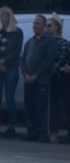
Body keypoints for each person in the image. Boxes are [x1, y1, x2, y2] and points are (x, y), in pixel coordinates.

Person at [0, 6, 24, 138]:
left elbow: (17, 51)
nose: (1, 18)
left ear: (9, 16)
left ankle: (11, 126)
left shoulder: (17, 32)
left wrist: (4, 61)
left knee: (9, 96)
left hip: (11, 67)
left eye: (3, 15)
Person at [21, 14, 57, 142]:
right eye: (34, 23)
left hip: (41, 81)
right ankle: (31, 133)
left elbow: (48, 61)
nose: (34, 26)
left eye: (37, 23)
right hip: (28, 80)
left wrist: (36, 75)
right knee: (29, 107)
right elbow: (22, 59)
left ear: (43, 25)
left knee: (41, 108)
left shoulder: (49, 41)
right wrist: (25, 74)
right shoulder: (29, 42)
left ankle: (42, 134)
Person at [47, 14, 70, 143]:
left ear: (57, 27)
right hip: (46, 77)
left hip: (60, 78)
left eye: (49, 26)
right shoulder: (45, 41)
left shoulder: (63, 43)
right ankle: (52, 131)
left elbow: (61, 59)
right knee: (52, 107)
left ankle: (65, 132)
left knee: (63, 106)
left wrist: (54, 68)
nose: (47, 28)